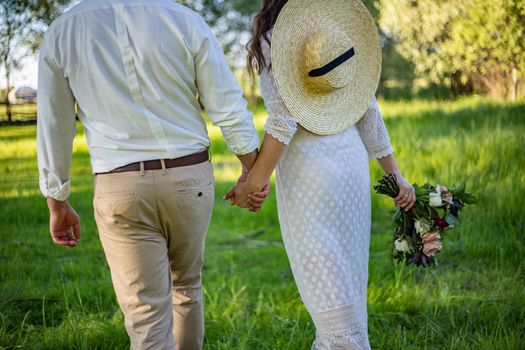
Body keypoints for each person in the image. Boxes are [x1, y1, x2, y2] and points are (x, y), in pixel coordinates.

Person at [37, 0, 268, 349]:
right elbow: (227, 105)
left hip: (120, 187)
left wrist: (57, 202)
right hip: (189, 179)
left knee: (146, 314)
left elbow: (54, 125)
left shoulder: (62, 31)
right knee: (187, 289)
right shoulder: (184, 20)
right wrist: (252, 171)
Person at [226, 0, 417, 348]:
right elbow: (367, 111)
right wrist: (396, 176)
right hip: (351, 166)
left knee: (330, 295)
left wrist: (251, 184)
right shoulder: (335, 29)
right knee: (347, 281)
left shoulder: (275, 39)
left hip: (309, 174)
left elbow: (283, 120)